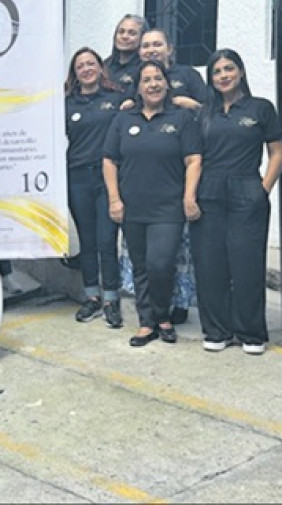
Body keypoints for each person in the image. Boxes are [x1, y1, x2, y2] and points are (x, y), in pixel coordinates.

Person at [103, 60, 201, 347]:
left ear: (167, 84)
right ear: (138, 87)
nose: (153, 84)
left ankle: (162, 315)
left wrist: (189, 197)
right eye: (146, 80)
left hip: (168, 208)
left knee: (161, 263)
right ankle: (148, 323)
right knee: (141, 266)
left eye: (158, 78)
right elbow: (109, 161)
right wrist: (114, 199)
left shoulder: (181, 118)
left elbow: (194, 159)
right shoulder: (123, 120)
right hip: (132, 207)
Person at [191, 49, 282, 355]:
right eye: (217, 72)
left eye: (229, 69)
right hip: (209, 192)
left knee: (247, 265)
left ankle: (250, 333)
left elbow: (277, 152)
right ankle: (216, 330)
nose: (223, 76)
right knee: (210, 265)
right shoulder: (204, 114)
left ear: (241, 71)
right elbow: (195, 158)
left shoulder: (261, 108)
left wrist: (263, 189)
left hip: (247, 191)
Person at [119, 29, 207, 324]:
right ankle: (154, 316)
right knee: (147, 260)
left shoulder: (189, 76)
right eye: (145, 45)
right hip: (141, 194)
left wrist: (189, 104)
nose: (151, 49)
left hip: (178, 183)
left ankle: (178, 304)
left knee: (174, 256)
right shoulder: (131, 84)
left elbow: (210, 112)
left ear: (170, 48)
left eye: (157, 44)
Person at [63, 48, 127, 328]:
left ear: (101, 68)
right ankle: (92, 296)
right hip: (77, 178)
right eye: (80, 66)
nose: (86, 69)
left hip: (107, 179)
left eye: (91, 64)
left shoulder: (117, 98)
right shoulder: (66, 104)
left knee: (106, 240)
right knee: (87, 241)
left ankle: (111, 299)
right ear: (74, 73)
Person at [104, 14, 149, 92]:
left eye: (132, 33)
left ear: (143, 38)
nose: (124, 36)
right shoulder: (104, 66)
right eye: (121, 32)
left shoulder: (146, 67)